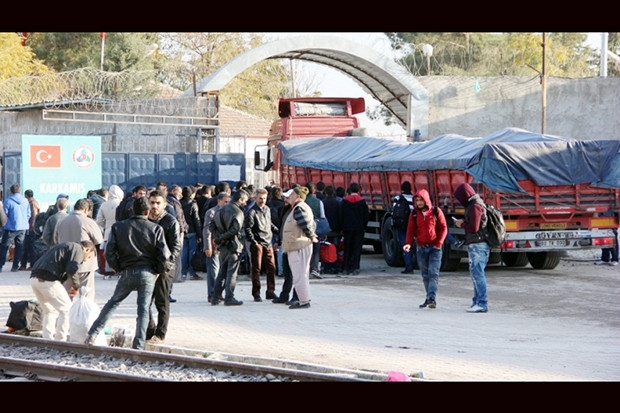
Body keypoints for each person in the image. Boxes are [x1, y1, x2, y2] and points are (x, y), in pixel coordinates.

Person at [85, 196, 172, 350]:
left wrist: (118, 268)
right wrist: (158, 271)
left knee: (113, 303)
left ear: (132, 210)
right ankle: (138, 345)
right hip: (148, 273)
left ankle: (92, 334)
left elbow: (108, 252)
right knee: (143, 309)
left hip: (127, 271)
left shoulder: (119, 227)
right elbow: (164, 256)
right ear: (147, 211)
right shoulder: (156, 229)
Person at [29, 240, 96, 341]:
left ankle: (47, 338)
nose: (86, 260)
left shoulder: (66, 246)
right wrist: (76, 286)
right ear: (87, 249)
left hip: (34, 279)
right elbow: (72, 268)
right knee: (66, 310)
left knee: (50, 310)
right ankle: (60, 339)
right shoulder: (77, 249)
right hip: (48, 279)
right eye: (89, 256)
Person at [146, 189, 181, 344]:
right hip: (147, 267)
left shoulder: (171, 222)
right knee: (144, 301)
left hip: (165, 269)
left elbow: (175, 248)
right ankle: (149, 330)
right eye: (152, 202)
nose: (154, 206)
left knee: (161, 301)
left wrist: (163, 269)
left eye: (158, 203)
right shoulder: (145, 220)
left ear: (164, 204)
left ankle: (160, 334)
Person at [403, 189, 448, 309]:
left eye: (421, 200)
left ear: (426, 200)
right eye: (417, 200)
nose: (419, 203)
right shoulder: (413, 214)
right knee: (425, 274)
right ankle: (429, 297)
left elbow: (444, 228)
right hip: (421, 248)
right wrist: (408, 243)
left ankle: (432, 298)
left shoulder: (435, 211)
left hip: (435, 248)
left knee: (433, 273)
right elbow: (410, 230)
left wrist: (439, 243)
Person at [54, 198, 104, 302]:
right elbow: (99, 240)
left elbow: (56, 240)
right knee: (86, 294)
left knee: (69, 294)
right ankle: (84, 315)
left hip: (66, 263)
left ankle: (69, 315)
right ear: (86, 209)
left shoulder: (61, 221)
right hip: (85, 264)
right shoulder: (87, 221)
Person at [453, 182, 490, 313]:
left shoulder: (475, 206)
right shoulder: (475, 203)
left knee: (478, 275)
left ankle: (482, 303)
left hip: (478, 245)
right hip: (477, 245)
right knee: (476, 274)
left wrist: (462, 224)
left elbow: (474, 228)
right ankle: (477, 301)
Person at [209, 189, 249, 306]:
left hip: (223, 246)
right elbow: (235, 229)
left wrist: (219, 237)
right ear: (240, 199)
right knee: (231, 272)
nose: (245, 203)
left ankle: (215, 297)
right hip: (233, 245)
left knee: (222, 272)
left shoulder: (220, 210)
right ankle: (229, 297)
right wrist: (222, 237)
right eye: (244, 201)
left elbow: (212, 226)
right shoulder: (238, 212)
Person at [281, 186, 318, 309]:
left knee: (299, 274)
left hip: (299, 246)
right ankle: (304, 299)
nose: (288, 197)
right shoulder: (300, 207)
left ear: (298, 197)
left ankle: (304, 301)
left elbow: (305, 224)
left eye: (291, 195)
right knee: (301, 274)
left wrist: (311, 236)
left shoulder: (299, 208)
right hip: (298, 245)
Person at [244, 187, 279, 302]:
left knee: (271, 268)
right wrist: (254, 241)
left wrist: (277, 231)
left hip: (268, 241)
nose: (262, 200)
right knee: (256, 269)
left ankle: (270, 291)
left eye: (264, 198)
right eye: (260, 198)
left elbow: (269, 223)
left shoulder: (267, 209)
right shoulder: (252, 211)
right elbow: (248, 228)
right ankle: (256, 293)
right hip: (257, 242)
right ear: (255, 198)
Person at [202, 191, 230, 303]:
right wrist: (207, 246)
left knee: (222, 272)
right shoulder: (211, 212)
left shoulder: (228, 212)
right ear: (219, 201)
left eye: (229, 202)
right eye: (225, 201)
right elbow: (207, 230)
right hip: (213, 246)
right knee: (213, 271)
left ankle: (218, 293)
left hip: (224, 247)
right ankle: (212, 294)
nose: (227, 204)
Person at [339, 182, 369, 276]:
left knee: (347, 248)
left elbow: (341, 215)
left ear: (350, 190)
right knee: (357, 248)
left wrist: (342, 227)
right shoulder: (362, 201)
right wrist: (364, 226)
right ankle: (355, 268)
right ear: (358, 190)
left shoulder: (344, 201)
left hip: (347, 228)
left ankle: (346, 268)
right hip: (359, 229)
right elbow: (366, 216)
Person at [0, 184, 31, 273]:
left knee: (4, 246)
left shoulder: (8, 201)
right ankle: (15, 267)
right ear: (20, 191)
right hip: (23, 227)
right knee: (19, 247)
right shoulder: (25, 201)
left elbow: (4, 214)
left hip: (10, 227)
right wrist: (24, 221)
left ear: (11, 191)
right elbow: (28, 214)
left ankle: (1, 265)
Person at [95, 184, 124, 276]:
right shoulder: (121, 203)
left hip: (108, 232)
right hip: (120, 231)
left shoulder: (104, 204)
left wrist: (106, 226)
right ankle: (119, 270)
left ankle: (108, 270)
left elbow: (99, 220)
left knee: (108, 251)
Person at [180, 185, 203, 281]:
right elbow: (196, 220)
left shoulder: (179, 203)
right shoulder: (193, 204)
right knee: (192, 253)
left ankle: (183, 273)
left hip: (183, 231)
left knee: (184, 252)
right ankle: (192, 273)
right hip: (192, 231)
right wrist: (199, 234)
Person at [393, 181, 415, 274]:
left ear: (401, 189)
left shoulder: (398, 198)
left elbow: (394, 211)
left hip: (401, 225)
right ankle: (413, 262)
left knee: (404, 245)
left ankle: (408, 267)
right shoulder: (414, 199)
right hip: (411, 225)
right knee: (412, 244)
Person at [305, 182, 325, 279]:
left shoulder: (302, 201)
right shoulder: (319, 202)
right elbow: (322, 216)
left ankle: (305, 269)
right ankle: (314, 269)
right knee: (316, 250)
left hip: (303, 228)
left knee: (305, 250)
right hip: (316, 228)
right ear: (314, 191)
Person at [19, 189, 40, 271]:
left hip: (31, 228)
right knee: (27, 246)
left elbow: (33, 215)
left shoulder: (31, 203)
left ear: (26, 196)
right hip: (31, 227)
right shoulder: (34, 202)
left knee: (30, 247)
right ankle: (24, 264)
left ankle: (32, 264)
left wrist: (31, 226)